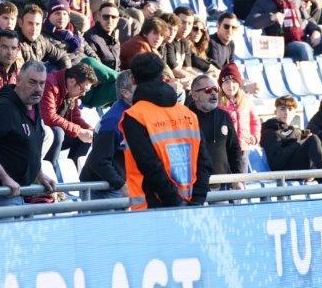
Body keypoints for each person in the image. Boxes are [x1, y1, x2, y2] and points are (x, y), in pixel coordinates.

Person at [122, 52, 210, 210]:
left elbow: (150, 166)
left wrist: (174, 202)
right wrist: (197, 199)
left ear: (133, 80)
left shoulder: (135, 116)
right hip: (191, 204)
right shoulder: (188, 114)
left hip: (151, 207)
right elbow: (203, 162)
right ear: (163, 77)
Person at [0, 60, 57, 207]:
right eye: (32, 82)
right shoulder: (3, 109)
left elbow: (30, 147)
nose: (38, 89)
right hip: (1, 194)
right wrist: (4, 178)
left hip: (23, 192)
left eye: (42, 83)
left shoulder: (34, 106)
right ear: (19, 80)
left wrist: (39, 175)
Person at [79, 70, 135, 199]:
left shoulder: (130, 114)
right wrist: (122, 185)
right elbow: (99, 160)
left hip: (113, 186)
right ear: (125, 93)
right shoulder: (114, 120)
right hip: (102, 189)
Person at [40, 62, 96, 168]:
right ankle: (49, 173)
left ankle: (74, 174)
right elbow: (49, 118)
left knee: (88, 136)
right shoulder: (50, 83)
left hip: (54, 131)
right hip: (39, 132)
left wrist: (88, 129)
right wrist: (79, 131)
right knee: (58, 133)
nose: (83, 94)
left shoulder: (72, 90)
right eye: (83, 90)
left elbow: (74, 117)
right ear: (72, 81)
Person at [187, 73, 243, 179]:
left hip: (223, 183)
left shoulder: (224, 116)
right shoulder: (185, 117)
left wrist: (238, 177)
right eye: (208, 90)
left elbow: (234, 148)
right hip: (196, 184)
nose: (213, 93)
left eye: (215, 89)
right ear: (195, 95)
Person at [261, 95, 322, 174]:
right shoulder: (270, 131)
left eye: (290, 109)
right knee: (312, 138)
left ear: (294, 112)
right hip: (285, 170)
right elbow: (276, 163)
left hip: (301, 165)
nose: (286, 113)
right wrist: (298, 143)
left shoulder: (295, 130)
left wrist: (312, 170)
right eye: (282, 109)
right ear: (276, 111)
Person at [218, 63, 259, 173]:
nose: (230, 86)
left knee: (241, 179)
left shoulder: (246, 100)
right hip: (224, 149)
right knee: (226, 181)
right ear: (221, 85)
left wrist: (254, 137)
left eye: (234, 82)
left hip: (243, 147)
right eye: (226, 82)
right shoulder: (218, 103)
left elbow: (254, 121)